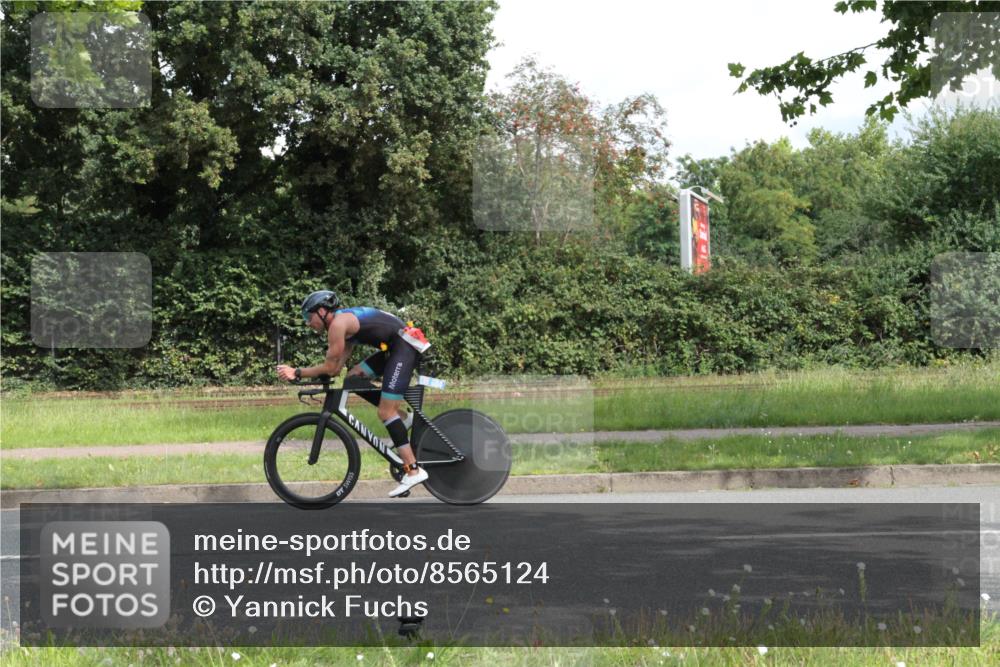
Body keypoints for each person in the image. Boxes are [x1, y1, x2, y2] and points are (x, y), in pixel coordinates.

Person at [276, 290, 429, 497]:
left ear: (321, 311)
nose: (307, 323)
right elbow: (337, 369)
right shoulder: (343, 326)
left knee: (385, 413)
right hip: (396, 346)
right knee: (354, 377)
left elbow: (329, 368)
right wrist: (310, 373)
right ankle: (403, 419)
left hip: (404, 347)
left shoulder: (338, 326)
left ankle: (413, 470)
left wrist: (297, 372)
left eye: (308, 317)